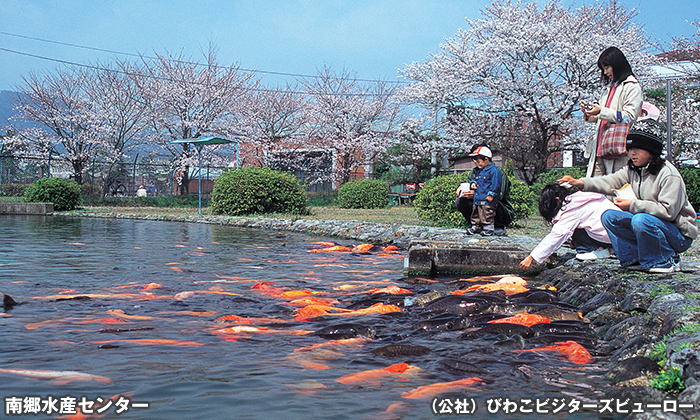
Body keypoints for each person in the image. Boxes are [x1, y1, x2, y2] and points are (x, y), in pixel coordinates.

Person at [558, 119, 698, 273]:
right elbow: (609, 182)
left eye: (638, 148)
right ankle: (634, 257)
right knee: (609, 217)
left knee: (640, 219)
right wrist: (580, 183)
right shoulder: (632, 170)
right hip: (649, 224)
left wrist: (632, 205)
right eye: (630, 148)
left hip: (678, 234)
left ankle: (665, 259)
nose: (632, 153)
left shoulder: (669, 175)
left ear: (652, 150)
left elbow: (668, 211)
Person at [519, 184, 621, 270]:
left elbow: (557, 236)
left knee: (572, 230)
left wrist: (532, 257)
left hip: (607, 235)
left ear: (557, 201)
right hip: (617, 235)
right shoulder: (580, 199)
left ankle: (595, 250)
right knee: (576, 227)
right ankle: (610, 247)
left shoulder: (572, 209)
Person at [582, 46, 643, 178]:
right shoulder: (608, 89)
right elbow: (602, 117)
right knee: (594, 193)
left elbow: (629, 117)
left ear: (617, 65)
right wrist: (590, 113)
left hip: (616, 150)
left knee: (614, 192)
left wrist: (602, 111)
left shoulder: (632, 87)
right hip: (599, 148)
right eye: (603, 69)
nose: (605, 72)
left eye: (607, 68)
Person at [455, 145, 514, 236]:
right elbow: (471, 184)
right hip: (479, 202)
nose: (475, 161)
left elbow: (499, 194)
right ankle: (477, 225)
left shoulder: (497, 171)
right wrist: (464, 188)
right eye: (474, 159)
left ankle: (497, 226)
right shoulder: (476, 171)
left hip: (497, 206)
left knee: (490, 202)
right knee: (461, 201)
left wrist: (476, 193)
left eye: (477, 159)